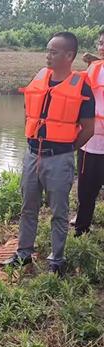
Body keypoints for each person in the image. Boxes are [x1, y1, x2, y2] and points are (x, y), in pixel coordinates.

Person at [1, 32, 95, 276]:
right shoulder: (40, 77)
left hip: (59, 157)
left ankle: (57, 259)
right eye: (48, 50)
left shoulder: (81, 86)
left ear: (69, 55)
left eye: (53, 52)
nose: (48, 56)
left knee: (59, 211)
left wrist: (67, 149)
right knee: (27, 207)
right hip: (33, 153)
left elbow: (89, 128)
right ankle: (23, 254)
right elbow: (28, 109)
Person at [75, 29, 104, 236]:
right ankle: (81, 231)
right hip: (90, 142)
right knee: (86, 192)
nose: (102, 47)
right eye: (101, 43)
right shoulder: (93, 69)